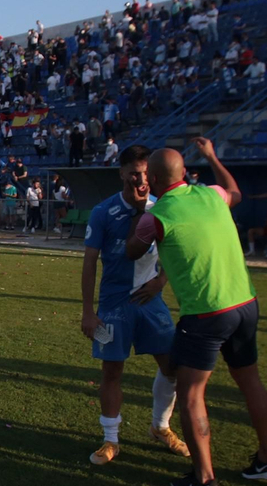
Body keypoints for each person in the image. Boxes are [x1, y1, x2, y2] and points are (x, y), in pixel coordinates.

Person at [125, 138, 267, 486]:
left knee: (191, 393)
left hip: (205, 312)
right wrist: (213, 156)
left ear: (152, 179)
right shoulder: (212, 194)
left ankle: (204, 478)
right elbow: (234, 191)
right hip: (244, 302)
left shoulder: (157, 215)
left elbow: (132, 250)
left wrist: (138, 209)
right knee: (251, 382)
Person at [79, 144, 190, 467]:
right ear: (121, 174)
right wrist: (88, 310)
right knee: (112, 370)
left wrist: (161, 282)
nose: (139, 181)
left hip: (151, 300)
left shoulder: (161, 207)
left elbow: (177, 250)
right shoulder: (104, 212)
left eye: (144, 174)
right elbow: (89, 263)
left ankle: (160, 427)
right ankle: (110, 440)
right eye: (133, 174)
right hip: (114, 303)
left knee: (172, 366)